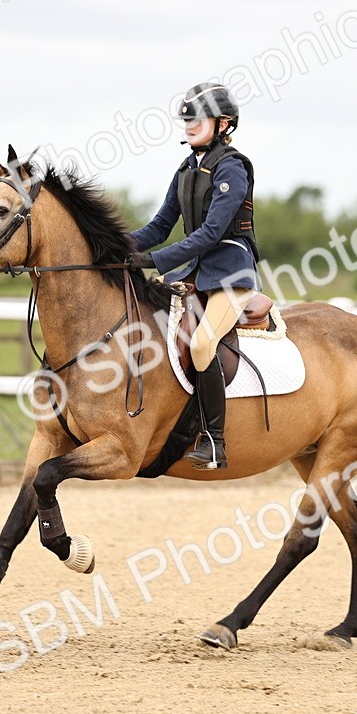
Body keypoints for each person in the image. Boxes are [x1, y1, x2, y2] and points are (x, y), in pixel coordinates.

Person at [127, 82, 261, 470]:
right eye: (185, 118)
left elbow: (210, 234)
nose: (187, 124)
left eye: (196, 119)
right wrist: (113, 247)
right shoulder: (186, 168)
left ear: (223, 124)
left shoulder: (232, 167)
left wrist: (153, 261)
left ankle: (215, 441)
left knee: (202, 344)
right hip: (197, 271)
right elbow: (159, 226)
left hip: (231, 271)